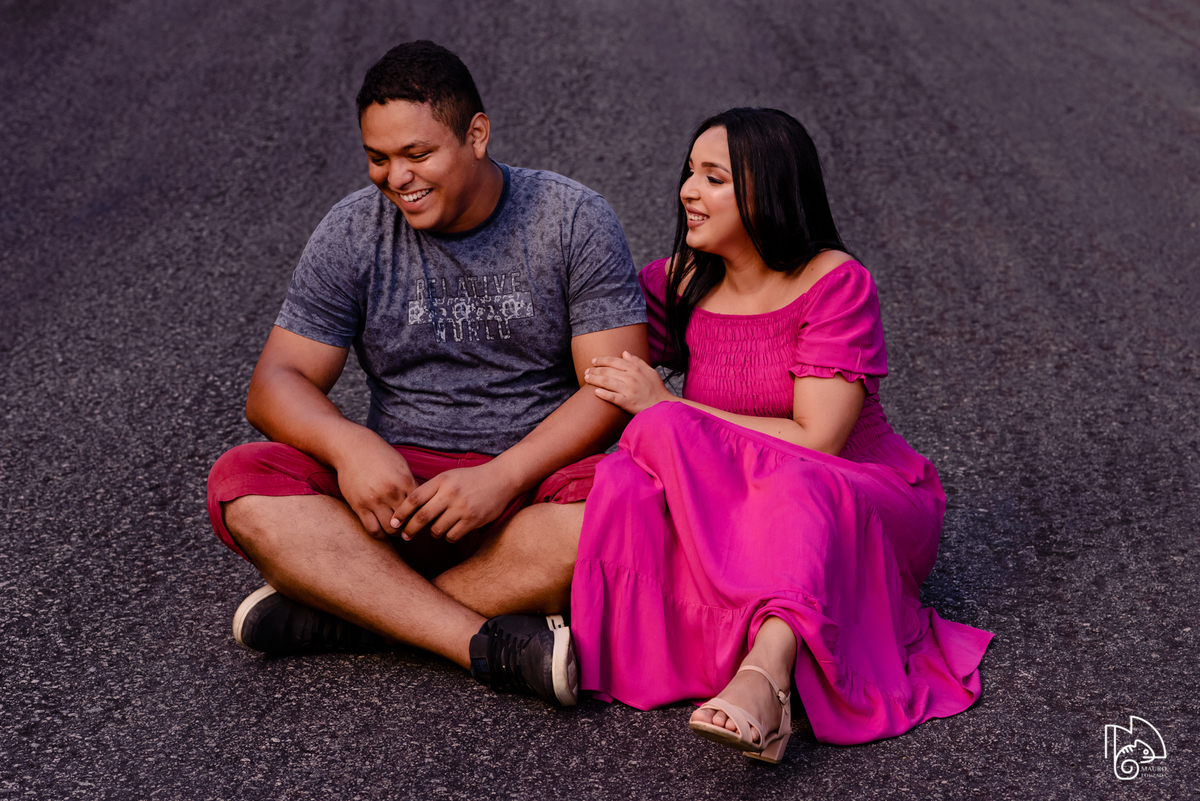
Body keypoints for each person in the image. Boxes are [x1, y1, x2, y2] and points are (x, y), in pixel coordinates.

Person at [205, 40, 648, 707]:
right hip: (396, 501)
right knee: (242, 482)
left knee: (628, 505)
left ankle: (355, 611)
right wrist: (349, 447)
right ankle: (484, 642)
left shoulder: (572, 218)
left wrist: (503, 478)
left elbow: (614, 387)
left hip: (530, 492)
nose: (397, 178)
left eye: (417, 153)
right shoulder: (353, 230)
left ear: (476, 135)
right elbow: (275, 381)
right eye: (378, 158)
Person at [574, 108, 993, 760]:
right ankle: (674, 649)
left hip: (859, 493)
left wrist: (671, 408)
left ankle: (765, 672)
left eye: (714, 178)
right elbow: (589, 351)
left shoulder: (836, 283)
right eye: (690, 172)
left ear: (767, 191)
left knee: (785, 480)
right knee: (626, 477)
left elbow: (818, 439)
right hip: (744, 487)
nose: (688, 191)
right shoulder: (677, 282)